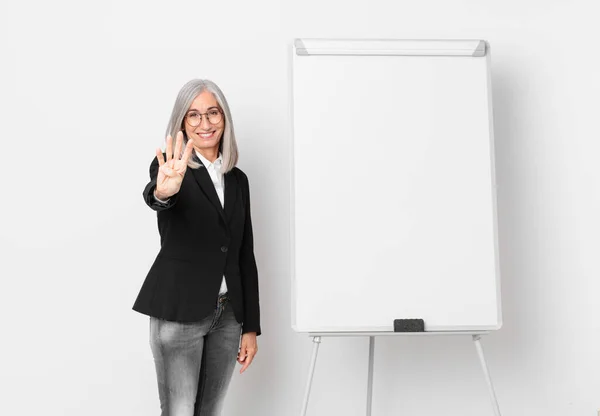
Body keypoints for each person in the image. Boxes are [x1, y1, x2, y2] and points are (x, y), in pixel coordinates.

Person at [132, 79, 261, 416]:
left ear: (224, 117)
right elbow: (158, 196)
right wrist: (164, 191)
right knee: (179, 411)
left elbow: (244, 253)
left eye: (212, 113)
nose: (205, 124)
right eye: (194, 116)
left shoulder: (238, 179)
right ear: (182, 123)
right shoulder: (169, 170)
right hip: (179, 312)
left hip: (228, 315)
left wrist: (250, 326)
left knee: (211, 410)